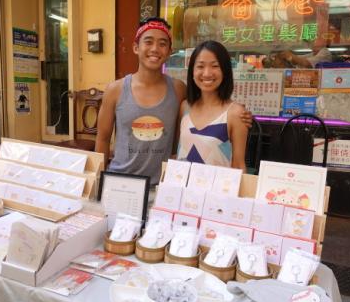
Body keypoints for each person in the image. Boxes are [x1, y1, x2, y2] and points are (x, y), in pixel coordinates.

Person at [95, 17, 252, 185]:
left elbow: (196, 125)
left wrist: (240, 117)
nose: (155, 49)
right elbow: (102, 139)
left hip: (163, 184)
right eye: (148, 42)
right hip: (120, 182)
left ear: (169, 52)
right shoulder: (115, 90)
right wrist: (99, 180)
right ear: (136, 47)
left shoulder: (178, 91)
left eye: (162, 44)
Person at [177, 40, 248, 171]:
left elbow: (238, 165)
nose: (207, 73)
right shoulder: (185, 107)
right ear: (192, 71)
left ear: (225, 71)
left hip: (217, 190)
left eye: (215, 66)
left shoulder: (235, 113)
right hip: (182, 189)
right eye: (200, 66)